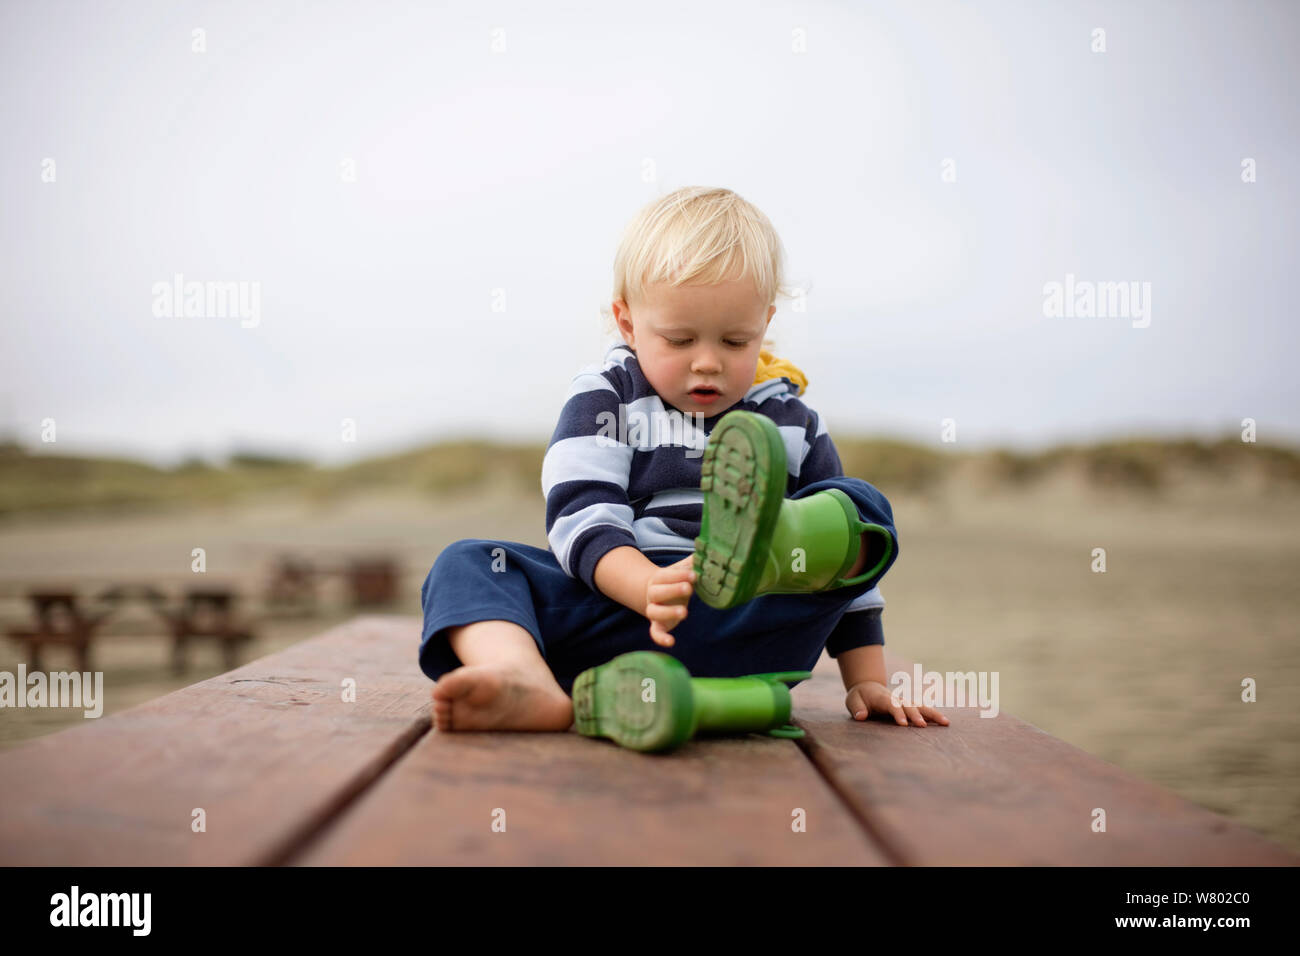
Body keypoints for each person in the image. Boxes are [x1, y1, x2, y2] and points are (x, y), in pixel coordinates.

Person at [418, 185, 948, 734]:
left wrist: (867, 680)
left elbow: (847, 575)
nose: (708, 363)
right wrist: (644, 584)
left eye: (735, 341)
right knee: (469, 562)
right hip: (626, 618)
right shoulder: (610, 396)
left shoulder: (794, 422)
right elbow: (582, 510)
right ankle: (521, 676)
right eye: (680, 339)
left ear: (764, 325)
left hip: (757, 622)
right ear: (627, 323)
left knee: (859, 505)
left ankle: (759, 552)